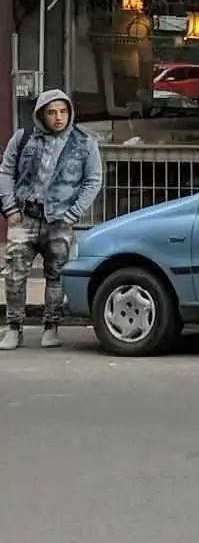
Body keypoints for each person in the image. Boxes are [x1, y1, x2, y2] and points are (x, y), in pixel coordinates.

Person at [0, 89, 103, 350]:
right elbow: (6, 171)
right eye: (52, 112)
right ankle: (14, 327)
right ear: (41, 114)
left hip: (60, 220)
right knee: (14, 274)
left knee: (57, 275)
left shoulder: (83, 142)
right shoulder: (23, 138)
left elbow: (93, 180)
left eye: (63, 111)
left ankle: (51, 327)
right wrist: (10, 208)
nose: (58, 117)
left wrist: (74, 213)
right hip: (25, 216)